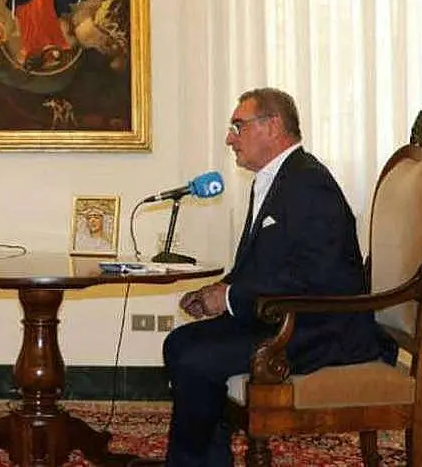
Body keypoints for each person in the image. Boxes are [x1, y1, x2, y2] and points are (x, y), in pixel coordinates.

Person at [159, 88, 386, 466]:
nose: (230, 138)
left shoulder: (308, 183)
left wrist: (230, 299)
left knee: (197, 357)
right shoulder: (279, 178)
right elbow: (265, 266)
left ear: (273, 126)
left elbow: (317, 278)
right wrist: (217, 292)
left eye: (238, 126)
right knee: (181, 344)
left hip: (321, 329)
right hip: (285, 317)